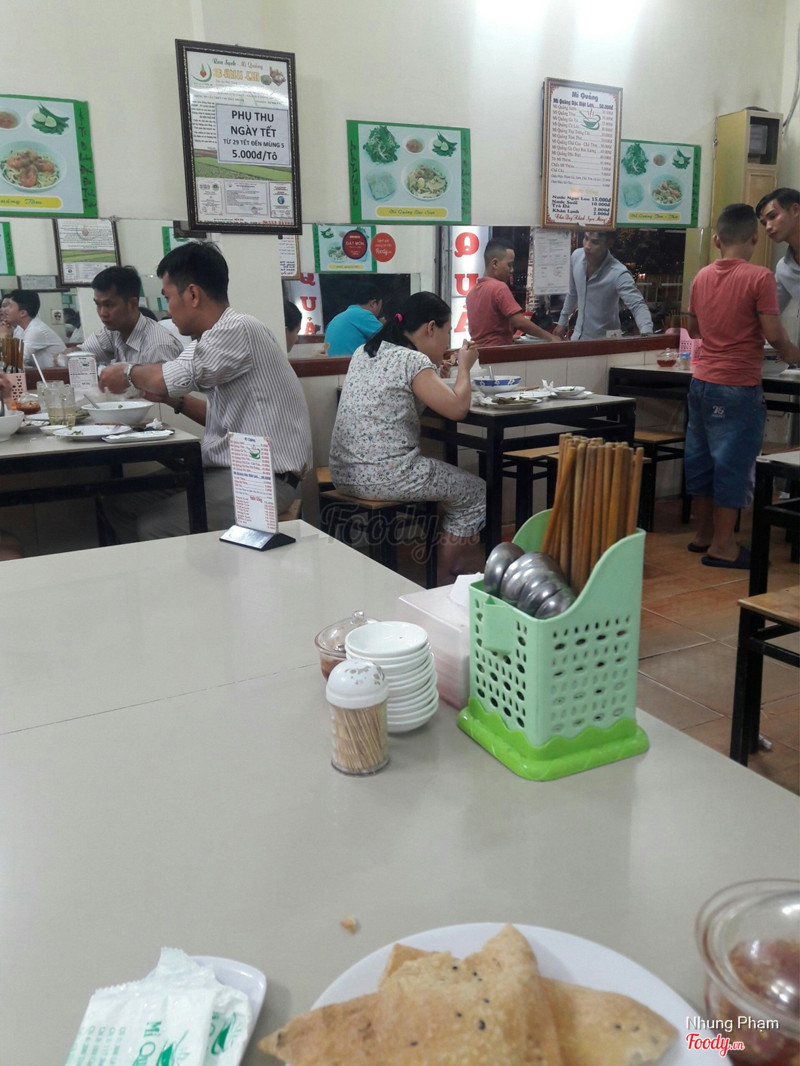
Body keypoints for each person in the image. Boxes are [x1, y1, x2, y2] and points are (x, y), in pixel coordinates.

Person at [97, 243, 313, 540]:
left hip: (263, 477)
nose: (167, 309)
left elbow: (166, 377)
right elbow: (221, 416)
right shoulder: (208, 340)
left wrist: (126, 372)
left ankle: (187, 569)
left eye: (168, 297)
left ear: (193, 295)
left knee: (154, 525)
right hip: (226, 468)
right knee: (120, 503)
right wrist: (175, 401)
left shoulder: (237, 329)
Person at [329, 291, 485, 582]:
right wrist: (464, 366)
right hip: (388, 476)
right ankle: (444, 581)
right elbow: (457, 409)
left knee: (454, 489)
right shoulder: (412, 360)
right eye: (446, 334)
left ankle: (448, 570)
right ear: (430, 328)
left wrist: (435, 374)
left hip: (344, 473)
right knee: (474, 492)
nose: (446, 344)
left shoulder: (364, 353)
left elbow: (401, 400)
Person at [685, 203, 800, 568]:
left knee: (702, 459)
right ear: (754, 237)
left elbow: (695, 330)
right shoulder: (760, 277)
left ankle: (703, 535)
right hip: (737, 386)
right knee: (732, 463)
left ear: (717, 240)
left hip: (701, 382)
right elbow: (773, 334)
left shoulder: (701, 277)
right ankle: (724, 546)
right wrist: (793, 354)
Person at [553, 231, 653, 340]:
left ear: (609, 243)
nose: (587, 246)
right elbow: (573, 292)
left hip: (605, 343)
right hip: (578, 338)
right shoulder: (576, 257)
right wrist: (562, 322)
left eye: (595, 242)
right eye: (586, 238)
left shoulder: (618, 273)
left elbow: (637, 305)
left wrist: (647, 335)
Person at [82, 266, 183, 366]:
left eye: (108, 305)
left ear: (133, 304)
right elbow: (82, 353)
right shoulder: (113, 331)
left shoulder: (158, 346)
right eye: (98, 305)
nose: (102, 313)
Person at [465, 238, 556, 347]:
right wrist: (550, 337)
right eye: (509, 265)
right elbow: (520, 323)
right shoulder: (499, 288)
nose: (512, 270)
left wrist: (507, 337)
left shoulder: (471, 294)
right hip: (498, 353)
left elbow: (487, 331)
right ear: (495, 263)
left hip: (479, 353)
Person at [756, 186, 800, 345]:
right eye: (764, 223)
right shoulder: (784, 268)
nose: (768, 227)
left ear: (795, 210)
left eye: (773, 216)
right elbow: (768, 312)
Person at [2, 289, 64, 369]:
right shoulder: (20, 329)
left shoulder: (36, 330)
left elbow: (13, 361)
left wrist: (4, 336)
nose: (3, 310)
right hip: (39, 373)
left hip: (56, 375)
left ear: (22, 313)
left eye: (9, 306)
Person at [324, 282, 382, 355]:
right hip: (348, 361)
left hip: (332, 362)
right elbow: (390, 339)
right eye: (380, 307)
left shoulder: (336, 318)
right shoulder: (363, 314)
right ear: (373, 304)